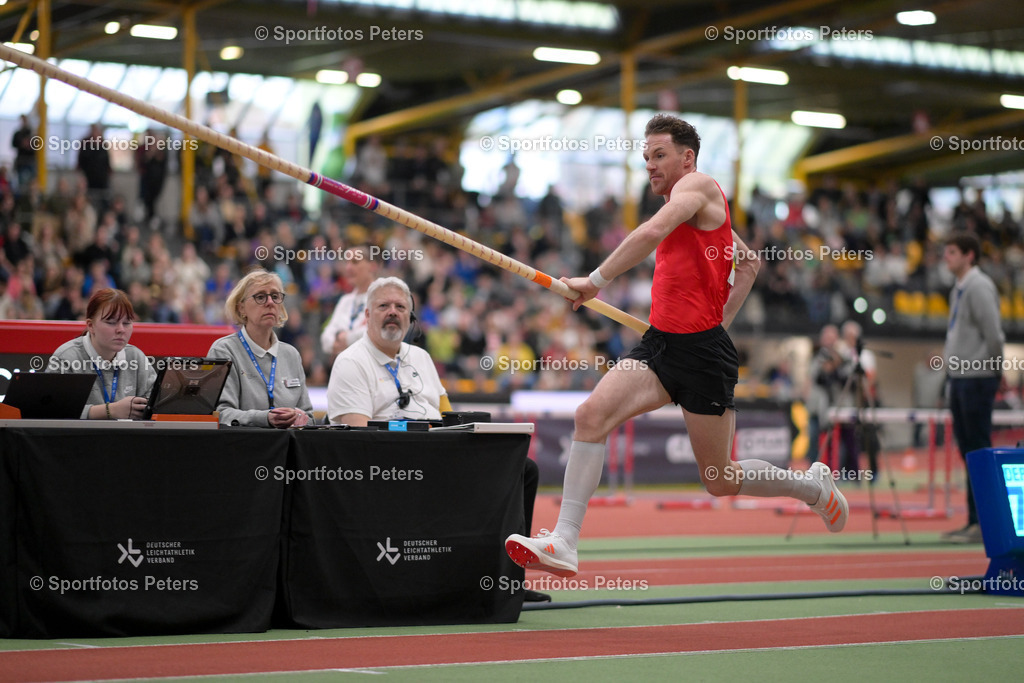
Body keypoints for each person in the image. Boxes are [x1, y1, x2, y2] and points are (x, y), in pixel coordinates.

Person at [505, 114, 849, 578]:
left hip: (703, 357)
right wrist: (717, 321)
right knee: (590, 416)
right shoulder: (697, 206)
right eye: (646, 157)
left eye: (659, 155)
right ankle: (565, 540)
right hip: (661, 346)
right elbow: (747, 264)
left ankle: (812, 489)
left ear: (687, 158)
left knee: (720, 479)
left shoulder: (698, 188)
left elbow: (649, 234)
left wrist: (594, 281)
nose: (650, 165)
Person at [328, 277, 549, 601]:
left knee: (521, 469)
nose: (393, 312)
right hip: (391, 461)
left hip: (440, 452)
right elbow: (359, 441)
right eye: (384, 306)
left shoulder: (421, 358)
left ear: (411, 316)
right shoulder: (351, 362)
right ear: (367, 314)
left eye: (400, 307)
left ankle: (509, 578)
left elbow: (447, 415)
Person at [941, 232, 1004, 544]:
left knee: (978, 449)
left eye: (952, 252)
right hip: (961, 377)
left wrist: (995, 368)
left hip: (977, 377)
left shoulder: (979, 287)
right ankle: (973, 520)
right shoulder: (960, 289)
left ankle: (986, 522)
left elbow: (994, 334)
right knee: (968, 451)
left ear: (969, 255)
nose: (946, 257)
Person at [207, 268, 313, 428]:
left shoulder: (291, 354)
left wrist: (301, 419)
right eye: (260, 297)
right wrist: (265, 418)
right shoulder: (224, 351)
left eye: (275, 296)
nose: (270, 302)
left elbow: (309, 416)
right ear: (241, 308)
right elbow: (220, 413)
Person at [46, 288, 155, 419]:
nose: (121, 329)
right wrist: (110, 411)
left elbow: (157, 405)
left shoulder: (136, 357)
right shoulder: (66, 357)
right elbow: (50, 409)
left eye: (126, 323)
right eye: (111, 322)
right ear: (90, 326)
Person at [319, 244, 379, 360]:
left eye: (355, 262)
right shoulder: (345, 301)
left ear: (372, 266)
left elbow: (377, 333)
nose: (348, 268)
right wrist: (352, 338)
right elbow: (325, 339)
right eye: (347, 263)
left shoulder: (382, 298)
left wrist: (345, 338)